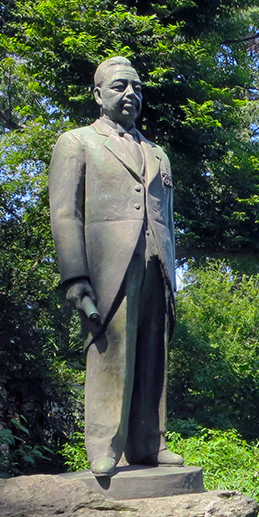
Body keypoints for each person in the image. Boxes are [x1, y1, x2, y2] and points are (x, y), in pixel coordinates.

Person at [48, 56, 183, 477]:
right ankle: (104, 446)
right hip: (108, 265)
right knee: (111, 350)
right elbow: (65, 214)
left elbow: (169, 219)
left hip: (156, 264)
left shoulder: (158, 153)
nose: (130, 94)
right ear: (98, 95)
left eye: (137, 88)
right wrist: (75, 276)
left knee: (152, 353)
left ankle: (149, 444)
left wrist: (172, 274)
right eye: (120, 86)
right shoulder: (77, 142)